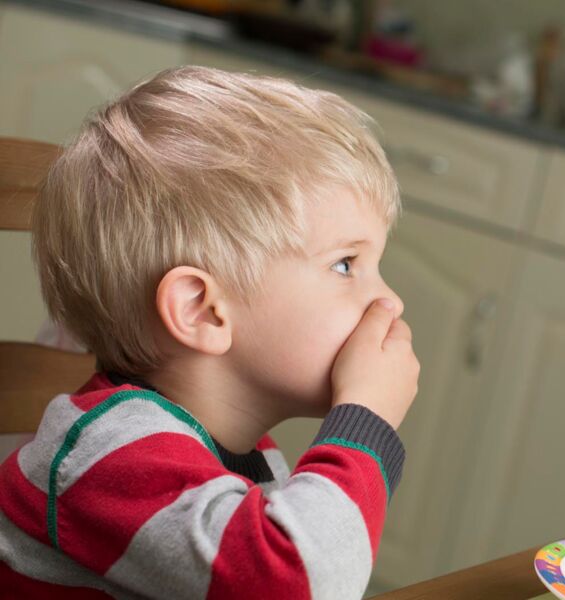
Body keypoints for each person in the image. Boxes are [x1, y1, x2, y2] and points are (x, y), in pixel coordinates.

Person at [0, 66, 420, 598]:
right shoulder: (112, 456)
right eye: (345, 264)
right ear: (202, 310)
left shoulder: (239, 451)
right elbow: (297, 585)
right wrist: (366, 422)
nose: (389, 301)